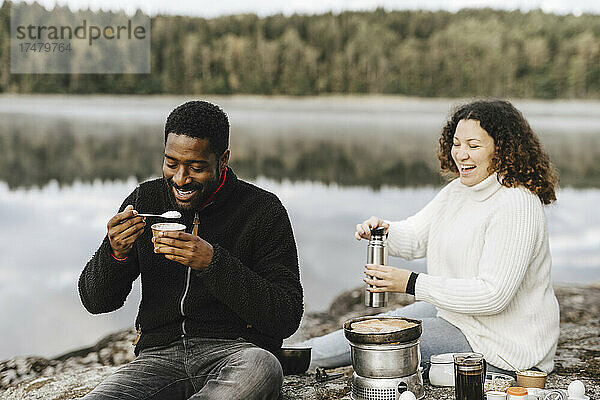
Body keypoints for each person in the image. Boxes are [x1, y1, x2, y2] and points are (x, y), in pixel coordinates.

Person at [300, 99, 560, 375]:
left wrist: (410, 283)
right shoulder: (458, 192)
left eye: (473, 146)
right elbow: (416, 237)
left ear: (503, 150)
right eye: (457, 143)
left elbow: (493, 295)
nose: (461, 154)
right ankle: (292, 355)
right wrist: (384, 232)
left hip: (502, 345)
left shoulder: (516, 204)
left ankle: (294, 359)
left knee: (383, 342)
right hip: (459, 317)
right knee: (380, 325)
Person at [79, 100, 303, 400]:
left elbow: (286, 315)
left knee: (264, 368)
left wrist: (212, 263)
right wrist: (114, 253)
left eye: (196, 167)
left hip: (237, 353)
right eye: (171, 163)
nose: (181, 179)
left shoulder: (262, 211)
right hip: (158, 357)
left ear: (223, 159)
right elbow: (96, 301)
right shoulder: (146, 200)